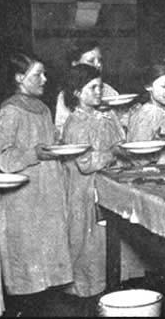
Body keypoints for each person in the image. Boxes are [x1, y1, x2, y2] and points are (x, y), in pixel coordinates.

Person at [0, 51, 73, 306]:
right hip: (23, 203)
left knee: (48, 276)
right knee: (28, 277)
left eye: (44, 73)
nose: (44, 79)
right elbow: (1, 157)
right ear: (19, 78)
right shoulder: (11, 111)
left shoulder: (42, 109)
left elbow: (46, 144)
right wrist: (34, 153)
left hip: (46, 197)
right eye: (37, 74)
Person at [61, 64, 133, 298]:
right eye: (92, 88)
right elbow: (86, 162)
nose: (99, 92)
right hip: (84, 193)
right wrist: (114, 154)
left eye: (100, 87)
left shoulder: (105, 117)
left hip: (106, 187)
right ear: (76, 93)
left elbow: (121, 143)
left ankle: (110, 291)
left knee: (107, 244)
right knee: (88, 245)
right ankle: (87, 295)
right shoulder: (75, 123)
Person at [127, 63, 165, 167]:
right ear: (149, 87)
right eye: (163, 86)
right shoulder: (145, 114)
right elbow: (138, 157)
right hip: (156, 174)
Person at [55, 40, 120, 137]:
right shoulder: (65, 95)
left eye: (100, 60)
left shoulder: (108, 90)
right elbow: (62, 131)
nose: (98, 65)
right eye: (91, 61)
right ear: (75, 64)